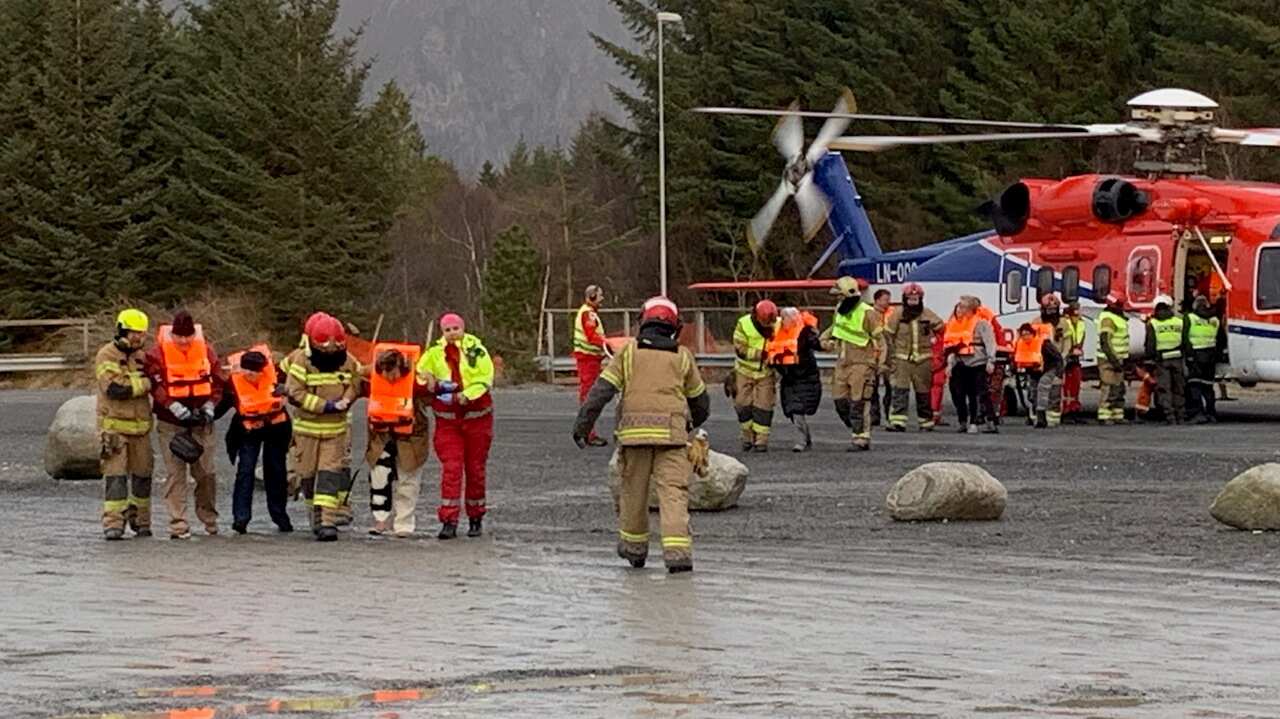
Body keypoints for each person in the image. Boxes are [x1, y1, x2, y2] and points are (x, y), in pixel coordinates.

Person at [573, 296, 709, 573]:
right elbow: (700, 400)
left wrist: (583, 426)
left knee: (633, 492)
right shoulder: (682, 357)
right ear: (675, 325)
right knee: (673, 494)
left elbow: (601, 392)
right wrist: (691, 423)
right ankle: (677, 554)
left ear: (642, 321)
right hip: (672, 439)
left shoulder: (628, 354)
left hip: (634, 438)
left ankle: (635, 550)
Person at [281, 311, 361, 541]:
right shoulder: (301, 360)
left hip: (335, 431)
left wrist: (347, 399)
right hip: (307, 429)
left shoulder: (347, 360)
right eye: (326, 345)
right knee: (307, 474)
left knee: (329, 473)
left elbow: (356, 381)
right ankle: (314, 513)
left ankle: (328, 521)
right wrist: (324, 406)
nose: (331, 351)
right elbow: (295, 392)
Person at [145, 310, 224, 539]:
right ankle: (178, 524)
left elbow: (218, 382)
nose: (183, 341)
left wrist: (210, 406)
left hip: (201, 421)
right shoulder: (157, 353)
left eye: (187, 336)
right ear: (172, 334)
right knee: (175, 475)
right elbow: (154, 383)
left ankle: (209, 520)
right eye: (179, 336)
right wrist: (173, 406)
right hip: (171, 423)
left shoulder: (207, 351)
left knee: (206, 473)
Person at [417, 313, 495, 540]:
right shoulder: (434, 352)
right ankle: (449, 519)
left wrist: (465, 396)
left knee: (475, 469)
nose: (452, 333)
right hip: (448, 420)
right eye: (447, 330)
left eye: (455, 328)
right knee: (451, 468)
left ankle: (475, 516)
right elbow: (420, 373)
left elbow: (484, 378)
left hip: (476, 416)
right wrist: (428, 379)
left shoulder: (476, 350)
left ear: (463, 328)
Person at [95, 309, 155, 541]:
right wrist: (146, 383)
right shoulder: (106, 355)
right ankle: (113, 523)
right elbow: (115, 389)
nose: (138, 339)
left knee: (143, 477)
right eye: (134, 334)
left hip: (141, 429)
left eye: (141, 334)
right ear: (122, 331)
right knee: (116, 479)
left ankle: (141, 521)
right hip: (115, 430)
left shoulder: (141, 356)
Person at [220, 347, 292, 534]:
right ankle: (240, 518)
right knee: (245, 471)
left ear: (262, 370)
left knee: (276, 471)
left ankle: (280, 516)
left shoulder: (278, 377)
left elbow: (295, 392)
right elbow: (221, 406)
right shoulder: (233, 383)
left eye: (254, 371)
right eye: (246, 370)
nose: (250, 374)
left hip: (276, 429)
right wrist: (202, 416)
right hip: (247, 431)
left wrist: (287, 392)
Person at [364, 344, 431, 537]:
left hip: (411, 437)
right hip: (381, 437)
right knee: (379, 477)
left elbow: (433, 394)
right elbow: (352, 382)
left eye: (393, 373)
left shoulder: (418, 380)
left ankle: (404, 523)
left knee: (408, 480)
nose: (389, 377)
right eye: (385, 373)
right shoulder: (370, 376)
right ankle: (380, 520)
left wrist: (433, 383)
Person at [821, 276, 883, 450]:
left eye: (840, 296)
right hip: (843, 362)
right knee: (839, 400)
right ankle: (856, 426)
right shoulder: (839, 309)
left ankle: (861, 438)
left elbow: (881, 339)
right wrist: (824, 340)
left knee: (859, 401)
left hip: (862, 362)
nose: (838, 299)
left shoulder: (867, 312)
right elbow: (834, 329)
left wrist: (881, 362)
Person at [883, 283, 944, 432]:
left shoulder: (927, 313)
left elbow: (941, 327)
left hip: (923, 360)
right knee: (900, 391)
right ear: (905, 299)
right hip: (902, 359)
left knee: (923, 392)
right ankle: (898, 421)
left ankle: (926, 422)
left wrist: (934, 340)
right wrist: (890, 356)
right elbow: (887, 335)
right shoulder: (897, 314)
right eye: (910, 299)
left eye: (916, 299)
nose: (913, 302)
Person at [767, 307, 822, 451]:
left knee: (797, 410)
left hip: (805, 377)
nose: (783, 320)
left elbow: (816, 344)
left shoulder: (804, 332)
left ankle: (801, 441)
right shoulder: (776, 332)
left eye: (786, 318)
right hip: (788, 377)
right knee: (792, 410)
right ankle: (805, 439)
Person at [944, 296, 998, 434]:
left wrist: (991, 361)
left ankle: (981, 421)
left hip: (977, 363)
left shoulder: (981, 324)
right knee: (958, 393)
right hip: (960, 363)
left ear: (970, 309)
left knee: (978, 393)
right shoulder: (954, 325)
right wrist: (949, 364)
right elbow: (952, 347)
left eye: (962, 306)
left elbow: (990, 343)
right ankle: (962, 421)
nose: (959, 309)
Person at [733, 300, 779, 452]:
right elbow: (740, 348)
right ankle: (747, 437)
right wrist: (762, 355)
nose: (768, 326)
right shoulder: (744, 324)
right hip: (744, 372)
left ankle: (761, 441)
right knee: (742, 404)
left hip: (766, 373)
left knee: (764, 406)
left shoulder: (778, 324)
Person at [572, 285, 609, 447]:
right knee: (589, 397)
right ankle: (587, 433)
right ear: (592, 296)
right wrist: (607, 344)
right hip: (588, 359)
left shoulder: (587, 312)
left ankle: (586, 432)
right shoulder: (588, 313)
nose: (602, 299)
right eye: (600, 296)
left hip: (590, 359)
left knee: (589, 395)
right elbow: (592, 336)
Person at [1144, 294, 1186, 424]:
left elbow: (1150, 344)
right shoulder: (1179, 321)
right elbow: (1185, 340)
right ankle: (1181, 416)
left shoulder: (1154, 324)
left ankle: (1169, 416)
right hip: (1177, 358)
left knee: (1164, 389)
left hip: (1162, 360)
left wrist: (1149, 359)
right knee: (1179, 388)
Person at [1034, 294, 1073, 427]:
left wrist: (1063, 357)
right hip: (1039, 361)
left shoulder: (1063, 323)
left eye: (1053, 308)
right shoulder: (1036, 322)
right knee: (1036, 389)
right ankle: (1036, 416)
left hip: (1056, 361)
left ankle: (1053, 417)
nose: (1051, 311)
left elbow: (1067, 341)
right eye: (1048, 308)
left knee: (1055, 389)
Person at [1185, 295, 1221, 423]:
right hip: (1210, 357)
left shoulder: (1190, 318)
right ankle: (1211, 413)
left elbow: (1185, 338)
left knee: (1195, 385)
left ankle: (1197, 413)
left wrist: (1188, 356)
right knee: (1208, 387)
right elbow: (1220, 339)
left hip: (1195, 356)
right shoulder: (1215, 320)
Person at [1096, 292, 1130, 425]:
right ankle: (1104, 415)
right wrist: (1114, 360)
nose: (1122, 307)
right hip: (1109, 359)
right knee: (1109, 387)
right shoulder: (1108, 319)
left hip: (1117, 358)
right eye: (1120, 304)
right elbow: (1105, 340)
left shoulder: (1116, 317)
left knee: (1119, 387)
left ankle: (1117, 414)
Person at [870, 288, 893, 426]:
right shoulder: (870, 315)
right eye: (885, 300)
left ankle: (889, 414)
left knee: (891, 387)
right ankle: (874, 415)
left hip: (889, 355)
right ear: (877, 300)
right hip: (874, 354)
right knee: (872, 387)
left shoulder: (891, 314)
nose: (887, 303)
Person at [1060, 301, 1087, 423]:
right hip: (1067, 358)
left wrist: (1079, 349)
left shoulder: (1081, 323)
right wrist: (1070, 352)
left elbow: (1080, 338)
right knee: (1067, 387)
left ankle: (1074, 409)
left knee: (1075, 386)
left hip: (1075, 358)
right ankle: (1066, 411)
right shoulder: (1064, 323)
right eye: (1079, 309)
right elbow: (1063, 340)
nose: (1081, 311)